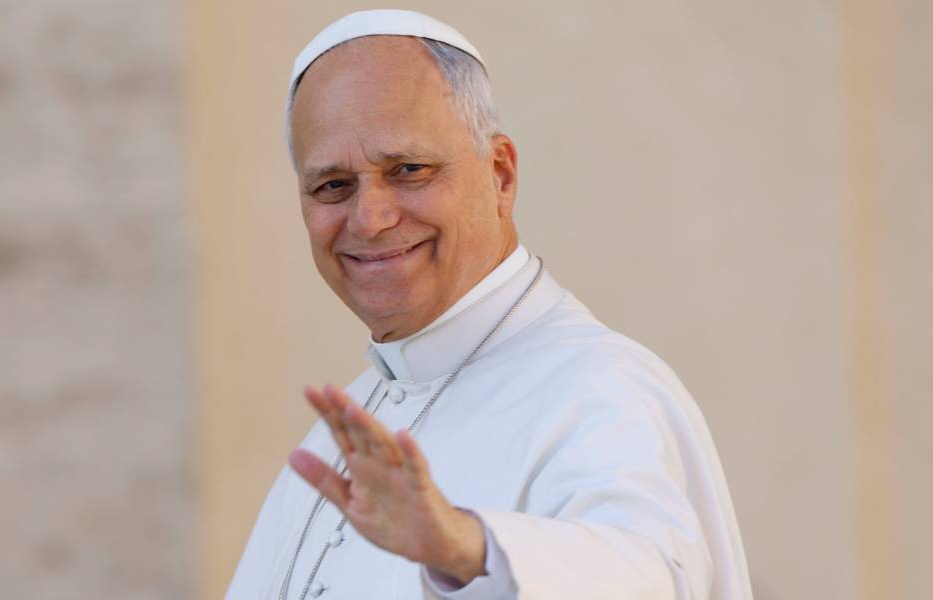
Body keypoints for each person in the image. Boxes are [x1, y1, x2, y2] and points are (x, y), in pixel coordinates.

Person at [225, 9, 752, 600]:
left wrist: (468, 550)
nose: (369, 220)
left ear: (500, 175)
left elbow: (648, 570)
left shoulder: (601, 389)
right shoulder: (339, 436)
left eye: (409, 170)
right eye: (333, 186)